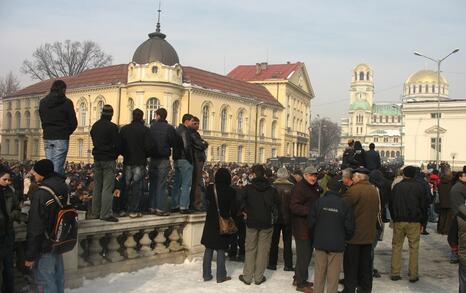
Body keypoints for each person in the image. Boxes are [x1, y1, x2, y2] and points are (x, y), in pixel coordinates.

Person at [25, 159, 69, 293]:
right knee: (58, 277)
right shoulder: (62, 186)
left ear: (42, 173)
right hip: (59, 239)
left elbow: (36, 227)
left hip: (45, 243)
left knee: (45, 281)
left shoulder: (41, 193)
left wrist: (30, 256)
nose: (33, 174)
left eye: (35, 172)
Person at [309, 177, 355, 293]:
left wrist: (315, 236)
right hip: (337, 243)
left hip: (320, 242)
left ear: (328, 188)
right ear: (339, 190)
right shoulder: (344, 204)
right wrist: (345, 238)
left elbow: (311, 223)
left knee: (319, 273)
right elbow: (349, 226)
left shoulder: (319, 202)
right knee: (333, 276)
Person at [239, 165, 280, 286]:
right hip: (266, 222)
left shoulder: (248, 188)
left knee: (250, 249)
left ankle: (247, 276)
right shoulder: (272, 189)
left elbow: (239, 200)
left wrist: (244, 210)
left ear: (254, 174)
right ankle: (258, 277)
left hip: (252, 221)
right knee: (263, 250)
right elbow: (277, 204)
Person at [342, 167, 379, 293]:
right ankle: (366, 289)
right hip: (368, 235)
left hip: (355, 235)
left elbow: (344, 207)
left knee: (351, 265)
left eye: (353, 177)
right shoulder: (374, 190)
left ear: (358, 177)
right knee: (365, 266)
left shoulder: (355, 190)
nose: (352, 179)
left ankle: (349, 289)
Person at [389, 166, 428, 283]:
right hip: (414, 221)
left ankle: (395, 272)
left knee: (396, 246)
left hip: (399, 220)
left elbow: (391, 204)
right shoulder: (419, 187)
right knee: (414, 248)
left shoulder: (397, 187)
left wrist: (394, 217)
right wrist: (423, 222)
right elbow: (424, 206)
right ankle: (413, 274)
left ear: (404, 174)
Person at [290, 165, 322, 293]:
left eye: (315, 175)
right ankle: (301, 284)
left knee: (306, 255)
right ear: (305, 175)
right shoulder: (300, 188)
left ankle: (298, 278)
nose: (313, 178)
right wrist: (311, 211)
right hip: (302, 228)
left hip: (310, 227)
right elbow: (294, 206)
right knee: (304, 256)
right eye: (311, 175)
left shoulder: (313, 187)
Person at [201, 168, 236, 283]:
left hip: (210, 222)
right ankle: (221, 276)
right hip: (223, 222)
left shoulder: (211, 188)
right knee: (221, 249)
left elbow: (205, 202)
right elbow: (233, 209)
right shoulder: (231, 191)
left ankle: (206, 274)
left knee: (208, 249)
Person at [120, 109, 154, 218]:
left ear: (133, 116)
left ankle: (122, 209)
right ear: (141, 117)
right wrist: (145, 155)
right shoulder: (145, 130)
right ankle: (134, 210)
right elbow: (149, 147)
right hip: (140, 161)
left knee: (125, 185)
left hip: (128, 161)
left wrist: (125, 154)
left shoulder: (124, 129)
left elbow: (120, 145)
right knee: (137, 186)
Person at [39, 80, 78, 175]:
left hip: (48, 136)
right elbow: (73, 122)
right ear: (63, 89)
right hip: (61, 137)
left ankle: (49, 185)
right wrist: (66, 132)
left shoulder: (43, 102)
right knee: (57, 166)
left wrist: (47, 129)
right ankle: (55, 185)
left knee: (50, 165)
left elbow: (42, 118)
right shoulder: (67, 103)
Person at [90, 105, 121, 222]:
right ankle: (105, 214)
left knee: (97, 186)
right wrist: (114, 154)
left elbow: (93, 138)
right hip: (108, 159)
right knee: (108, 188)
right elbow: (118, 144)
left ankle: (95, 213)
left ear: (102, 113)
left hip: (97, 159)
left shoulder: (95, 126)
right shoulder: (113, 127)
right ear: (111, 115)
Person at [149, 108, 177, 216]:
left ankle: (151, 207)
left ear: (158, 116)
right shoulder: (169, 128)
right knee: (161, 184)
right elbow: (173, 142)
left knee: (153, 183)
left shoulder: (152, 127)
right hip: (163, 159)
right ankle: (160, 208)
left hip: (153, 158)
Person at [268, 166, 294, 271]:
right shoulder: (292, 187)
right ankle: (288, 264)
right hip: (288, 217)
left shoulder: (273, 186)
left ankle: (272, 263)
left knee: (274, 241)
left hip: (275, 218)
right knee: (287, 242)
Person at [0, 165, 21, 293]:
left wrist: (10, 216)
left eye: (9, 180)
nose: (7, 182)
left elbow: (17, 209)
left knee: (9, 268)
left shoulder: (10, 192)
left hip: (7, 234)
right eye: (4, 179)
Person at [172, 114, 195, 214]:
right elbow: (186, 146)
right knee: (186, 184)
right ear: (187, 121)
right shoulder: (185, 131)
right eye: (192, 121)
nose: (193, 123)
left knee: (177, 183)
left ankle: (174, 205)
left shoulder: (177, 130)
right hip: (185, 159)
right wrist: (191, 159)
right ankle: (183, 206)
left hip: (177, 159)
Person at [448, 186, 466, 293]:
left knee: (464, 280)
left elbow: (452, 237)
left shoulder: (459, 216)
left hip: (464, 254)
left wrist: (455, 248)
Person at [190, 116, 209, 211]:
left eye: (198, 124)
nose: (197, 126)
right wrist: (205, 144)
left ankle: (196, 203)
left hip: (198, 158)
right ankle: (196, 204)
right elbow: (201, 145)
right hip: (197, 159)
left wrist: (203, 143)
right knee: (197, 182)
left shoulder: (195, 133)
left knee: (197, 182)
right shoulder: (193, 134)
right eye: (195, 123)